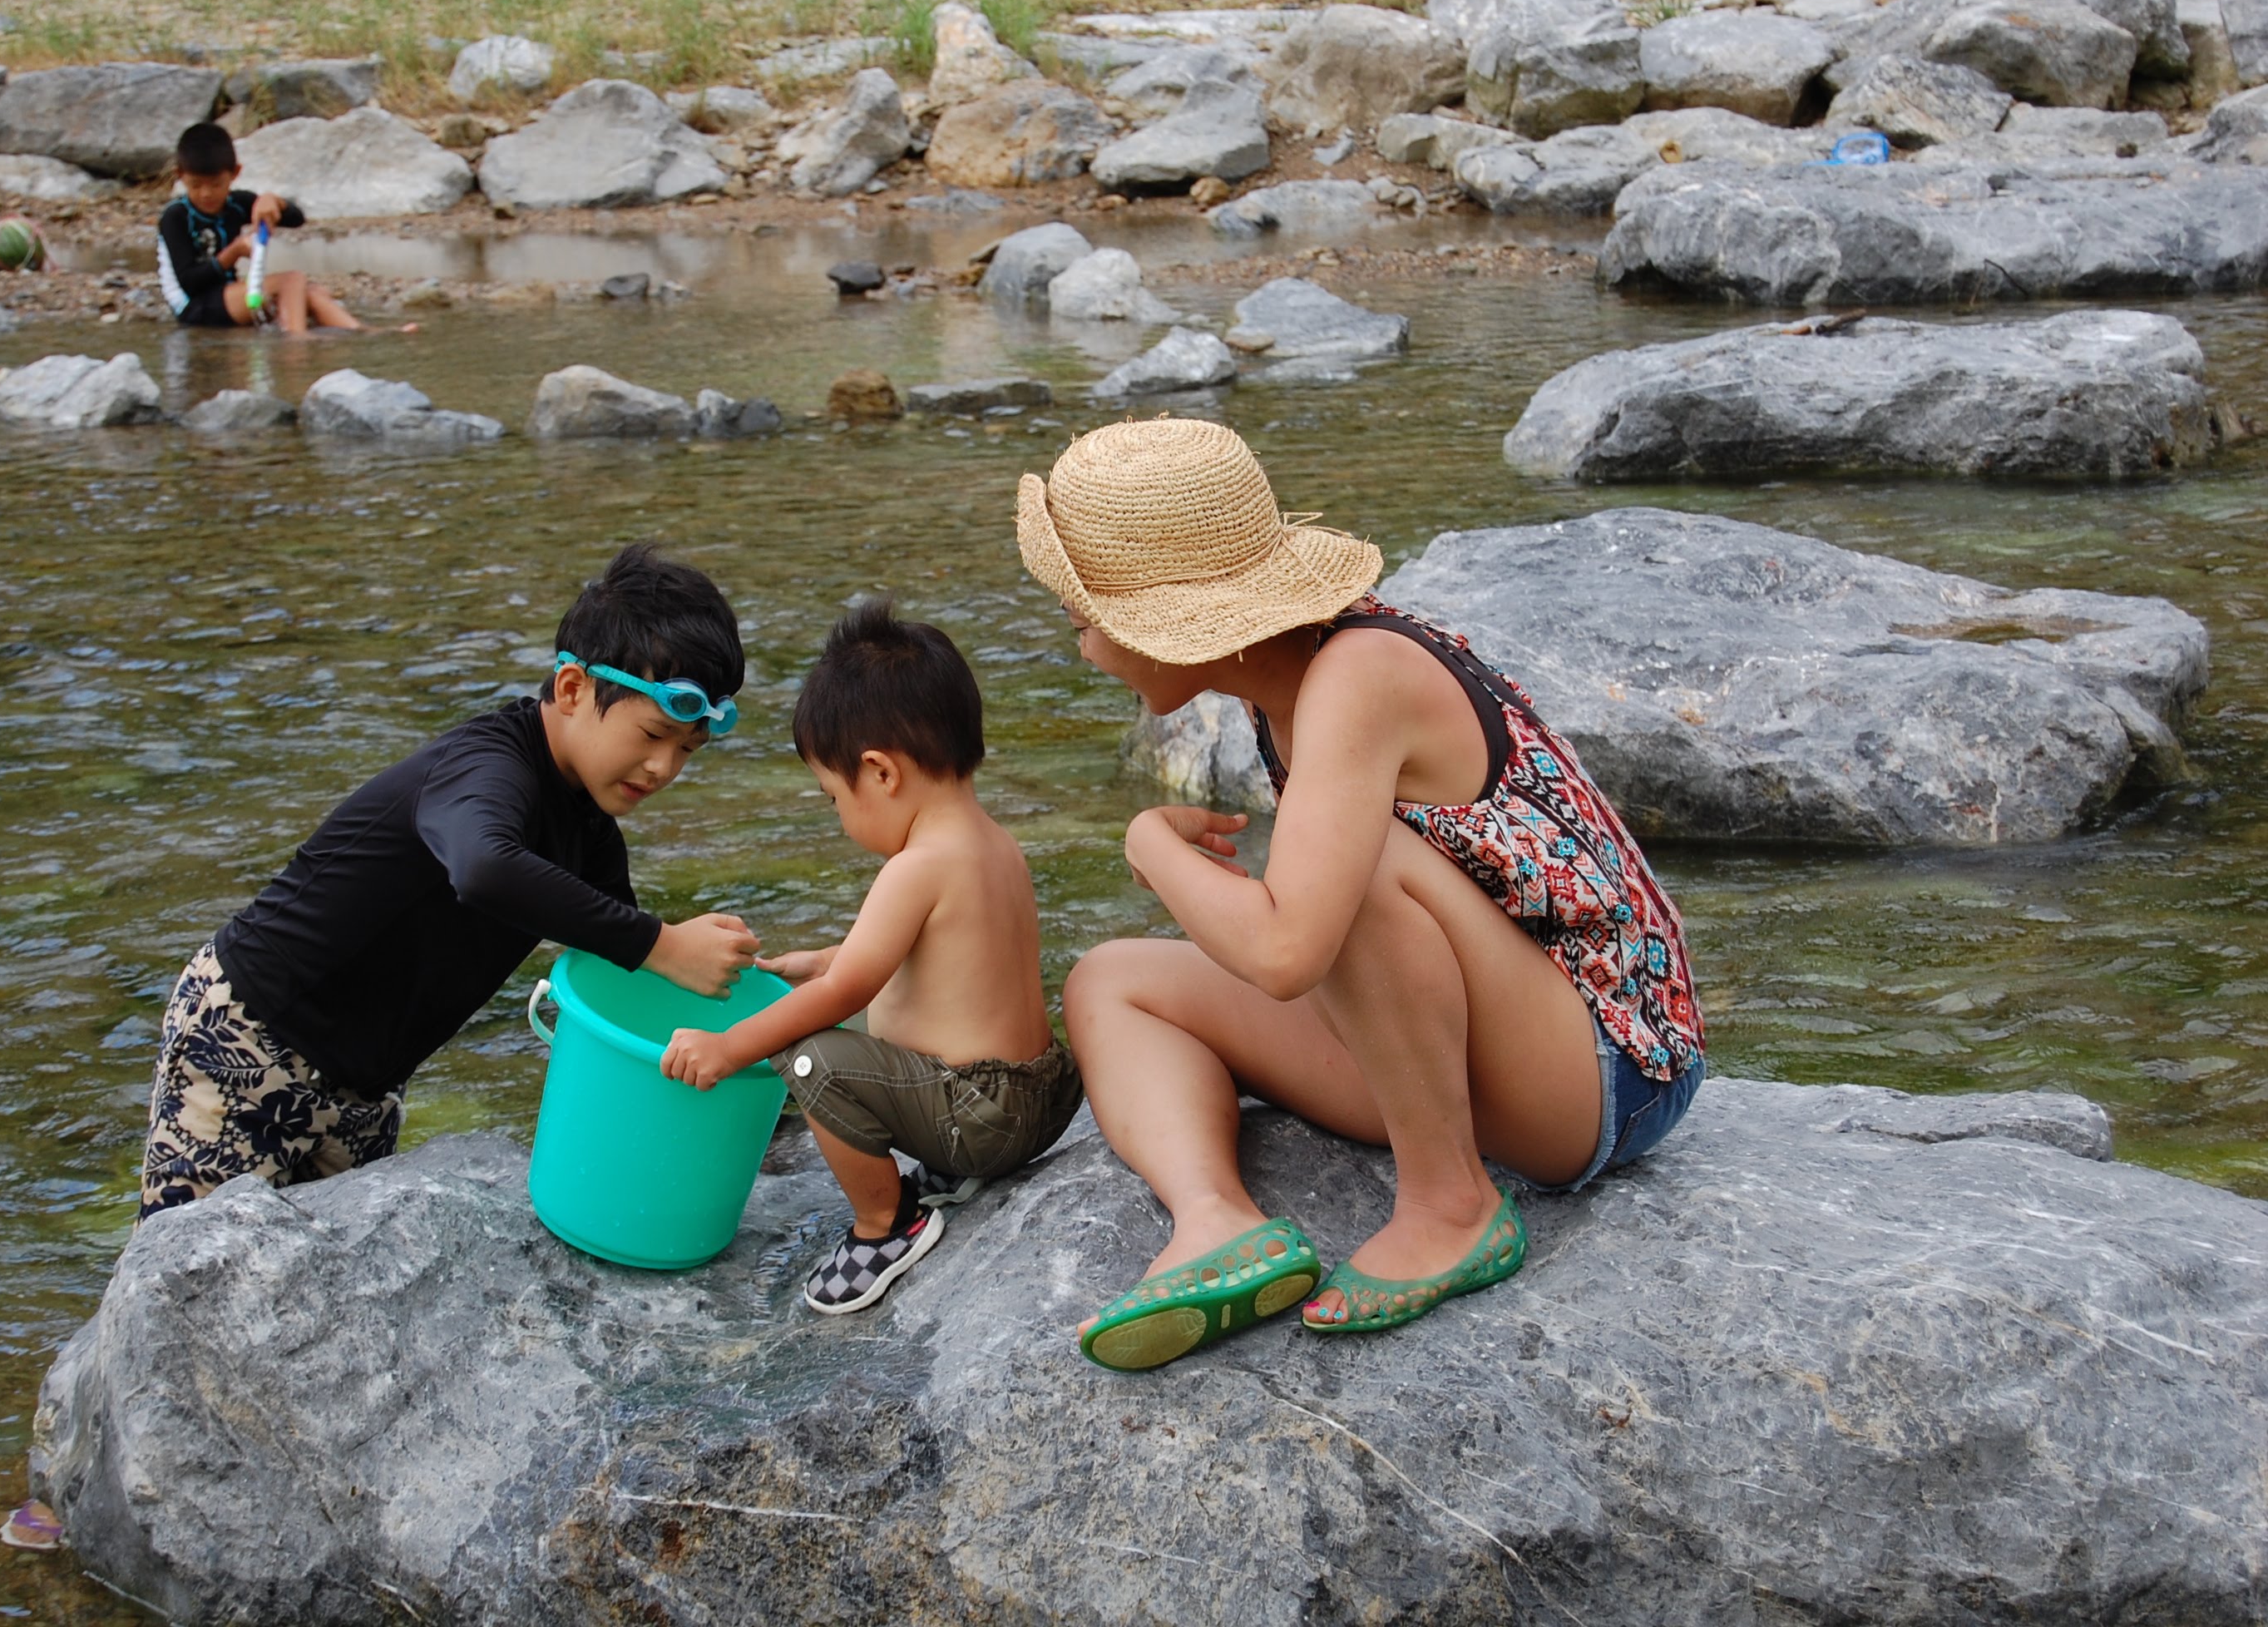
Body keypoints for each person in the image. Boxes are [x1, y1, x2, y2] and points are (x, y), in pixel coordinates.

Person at [1019, 419, 1707, 1372]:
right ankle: (1215, 1216)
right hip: (1458, 1046)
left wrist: (1150, 843)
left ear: (1165, 619)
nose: (1082, 641)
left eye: (1085, 616)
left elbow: (1285, 949)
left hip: (1604, 1070)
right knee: (1111, 981)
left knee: (1354, 871)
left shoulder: (1357, 672)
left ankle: (1451, 1204)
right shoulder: (1280, 681)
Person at [137, 545, 762, 1219]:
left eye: (688, 751)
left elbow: (623, 987)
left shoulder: (590, 836)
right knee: (190, 1274)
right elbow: (485, 868)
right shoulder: (488, 769)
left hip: (368, 1089)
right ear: (575, 689)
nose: (665, 767)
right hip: (248, 1038)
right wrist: (665, 945)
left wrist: (752, 1007)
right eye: (654, 733)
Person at [660, 602, 1080, 1316]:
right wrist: (825, 959)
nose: (838, 815)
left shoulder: (915, 868)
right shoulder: (992, 844)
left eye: (833, 797)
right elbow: (940, 963)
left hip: (978, 1119)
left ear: (880, 772)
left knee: (807, 1057)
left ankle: (887, 1226)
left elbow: (850, 991)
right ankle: (944, 1172)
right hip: (1042, 1097)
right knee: (830, 1023)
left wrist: (731, 1047)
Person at [157, 121, 362, 332]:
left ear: (235, 173)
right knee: (292, 281)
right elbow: (190, 283)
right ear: (180, 176)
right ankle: (297, 342)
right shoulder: (175, 217)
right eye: (196, 185)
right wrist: (234, 252)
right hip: (193, 306)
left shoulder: (236, 204)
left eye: (216, 184)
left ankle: (364, 332)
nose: (206, 194)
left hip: (227, 295)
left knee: (311, 292)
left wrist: (273, 201)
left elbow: (296, 219)